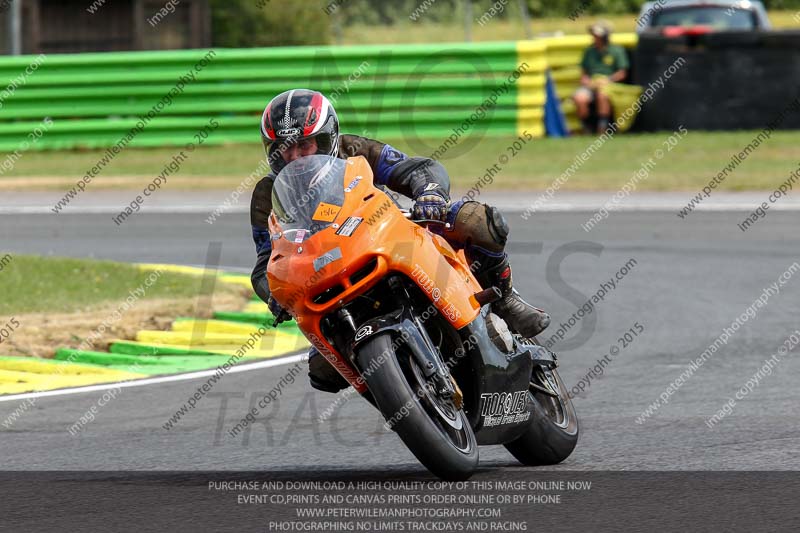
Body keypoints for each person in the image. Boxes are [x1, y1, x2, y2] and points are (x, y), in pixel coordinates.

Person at [250, 88, 550, 393]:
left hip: (389, 237)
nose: (296, 156)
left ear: (328, 138)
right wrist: (276, 294)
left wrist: (429, 192)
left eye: (305, 144)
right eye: (285, 148)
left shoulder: (354, 149)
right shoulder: (267, 194)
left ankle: (506, 298)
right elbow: (267, 262)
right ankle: (405, 393)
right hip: (330, 276)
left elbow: (416, 169)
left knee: (475, 219)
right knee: (322, 370)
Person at [573, 23, 630, 134]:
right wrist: (586, 81)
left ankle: (602, 128)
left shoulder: (616, 51)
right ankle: (587, 128)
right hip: (591, 84)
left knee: (602, 95)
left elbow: (622, 73)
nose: (594, 37)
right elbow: (583, 73)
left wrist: (607, 80)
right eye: (594, 35)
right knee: (579, 98)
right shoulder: (589, 51)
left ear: (605, 37)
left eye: (597, 35)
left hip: (610, 84)